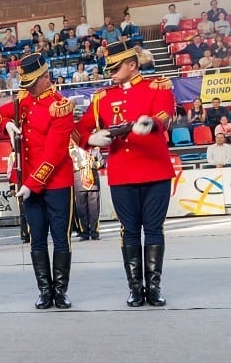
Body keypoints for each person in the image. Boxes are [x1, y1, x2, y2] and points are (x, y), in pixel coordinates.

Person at [74, 38, 175, 307]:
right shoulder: (102, 98)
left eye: (116, 67)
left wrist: (150, 123)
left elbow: (166, 114)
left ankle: (154, 287)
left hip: (154, 170)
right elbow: (79, 129)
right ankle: (135, 288)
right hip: (122, 174)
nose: (111, 73)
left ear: (132, 65)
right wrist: (90, 140)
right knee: (129, 230)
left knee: (154, 229)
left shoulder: (157, 86)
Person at [0, 53, 75, 310]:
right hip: (28, 181)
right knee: (36, 238)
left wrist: (31, 184)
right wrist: (6, 125)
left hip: (55, 183)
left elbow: (54, 152)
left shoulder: (60, 106)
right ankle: (44, 290)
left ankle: (60, 291)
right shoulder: (24, 100)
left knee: (60, 238)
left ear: (45, 78)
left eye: (31, 83)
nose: (26, 88)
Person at [71, 144, 103, 241]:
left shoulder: (95, 149)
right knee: (81, 211)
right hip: (79, 184)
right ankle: (84, 232)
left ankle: (94, 232)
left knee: (94, 210)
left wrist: (92, 164)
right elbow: (68, 166)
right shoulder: (73, 151)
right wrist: (82, 164)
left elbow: (102, 163)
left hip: (93, 184)